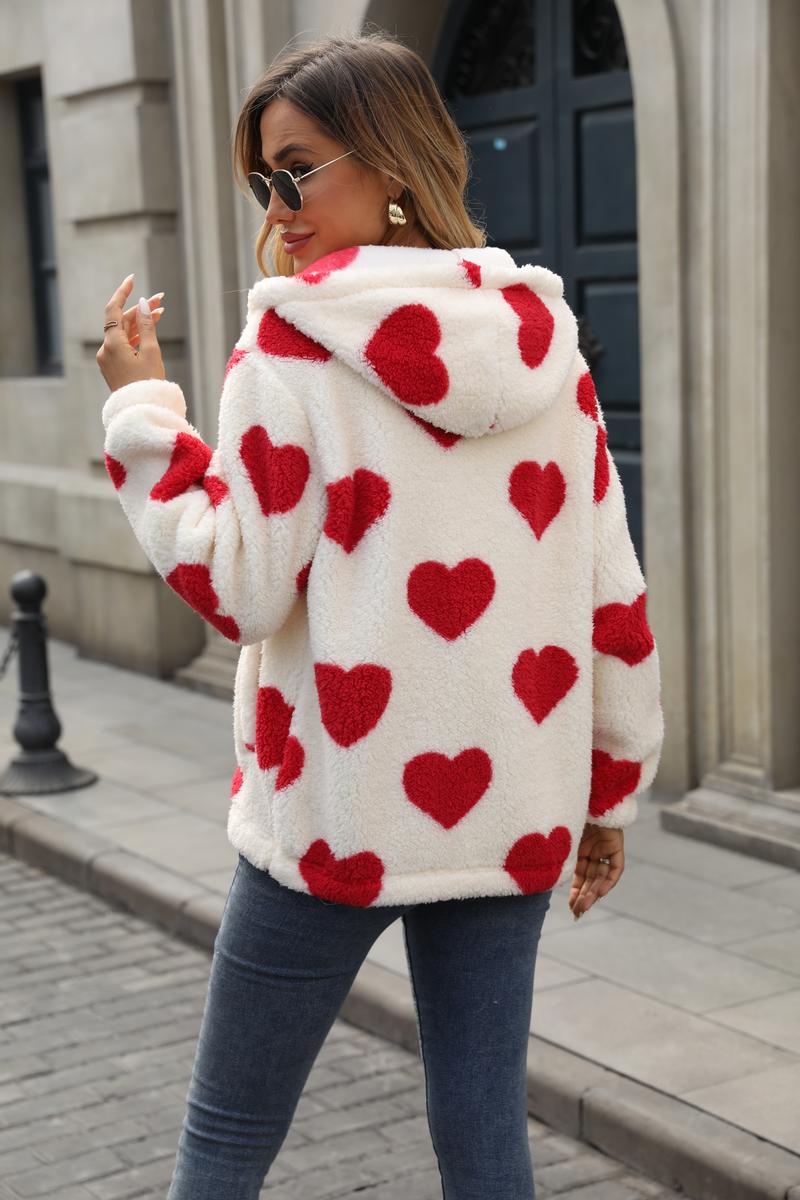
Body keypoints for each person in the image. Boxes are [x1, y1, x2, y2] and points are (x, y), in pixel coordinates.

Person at [95, 29, 664, 1200]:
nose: (277, 207)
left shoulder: (292, 347)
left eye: (296, 170)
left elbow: (238, 589)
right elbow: (611, 596)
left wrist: (144, 415)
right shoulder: (544, 346)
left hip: (334, 819)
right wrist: (606, 794)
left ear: (392, 159)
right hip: (510, 808)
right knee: (481, 1132)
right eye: (262, 179)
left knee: (226, 1137)